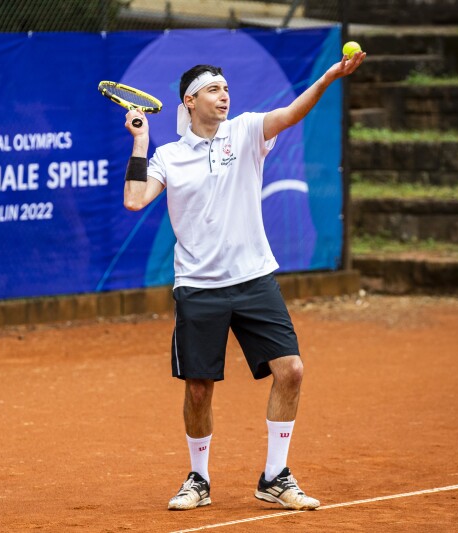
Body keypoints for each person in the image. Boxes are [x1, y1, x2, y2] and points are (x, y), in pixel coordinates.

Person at [121, 50, 365, 511]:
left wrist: (329, 78)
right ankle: (198, 478)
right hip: (197, 286)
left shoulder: (248, 130)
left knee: (291, 370)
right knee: (198, 389)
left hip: (254, 278)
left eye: (227, 88)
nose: (225, 96)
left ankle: (275, 476)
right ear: (189, 101)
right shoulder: (168, 156)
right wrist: (140, 142)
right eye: (214, 89)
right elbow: (135, 200)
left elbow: (292, 114)